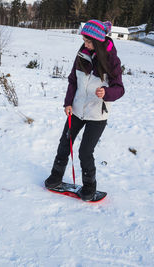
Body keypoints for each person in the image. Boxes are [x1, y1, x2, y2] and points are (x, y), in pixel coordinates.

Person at [45, 19, 125, 201]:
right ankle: (55, 176)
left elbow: (120, 88)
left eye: (88, 41)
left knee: (85, 152)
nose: (85, 44)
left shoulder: (112, 60)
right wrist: (68, 103)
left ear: (97, 40)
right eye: (84, 40)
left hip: (97, 114)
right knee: (64, 144)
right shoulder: (82, 53)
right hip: (77, 109)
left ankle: (89, 186)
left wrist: (106, 92)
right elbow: (73, 80)